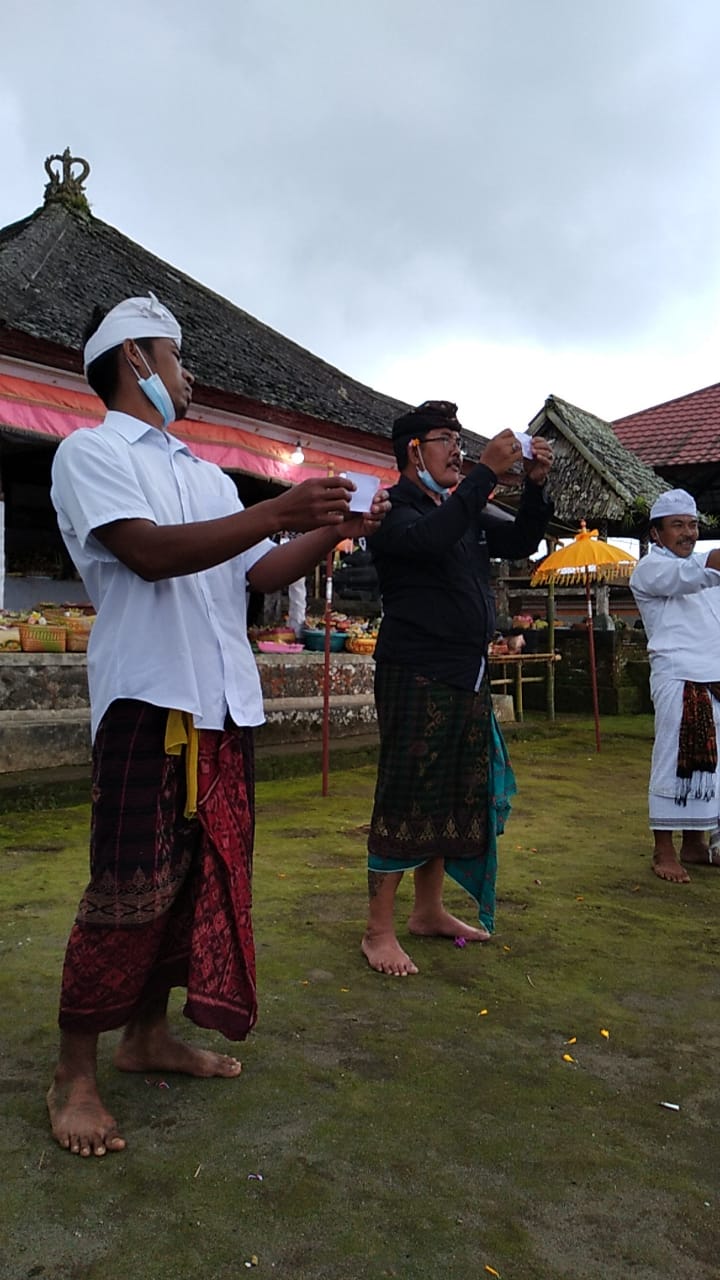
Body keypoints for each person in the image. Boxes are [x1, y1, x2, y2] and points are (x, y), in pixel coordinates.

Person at [48, 293, 389, 1156]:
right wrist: (278, 508)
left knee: (197, 882)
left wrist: (331, 531)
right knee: (125, 890)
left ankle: (147, 1036)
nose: (188, 375)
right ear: (136, 360)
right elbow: (147, 553)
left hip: (221, 707)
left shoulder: (205, 476)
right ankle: (74, 1074)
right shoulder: (88, 454)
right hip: (148, 701)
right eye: (177, 357)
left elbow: (259, 572)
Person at [361, 400, 553, 975]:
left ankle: (429, 910)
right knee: (405, 796)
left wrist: (536, 488)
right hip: (415, 672)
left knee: (448, 796)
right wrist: (486, 476)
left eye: (458, 439)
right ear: (414, 451)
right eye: (445, 439)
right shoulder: (393, 509)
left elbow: (521, 541)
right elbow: (429, 541)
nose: (458, 450)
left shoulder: (459, 505)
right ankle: (378, 931)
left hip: (465, 674)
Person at [629, 489, 720, 883]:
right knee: (674, 760)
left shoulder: (702, 564)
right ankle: (663, 849)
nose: (688, 533)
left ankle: (696, 844)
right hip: (678, 675)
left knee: (710, 768)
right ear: (656, 533)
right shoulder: (650, 568)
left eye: (693, 524)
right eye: (678, 525)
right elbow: (691, 577)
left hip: (714, 677)